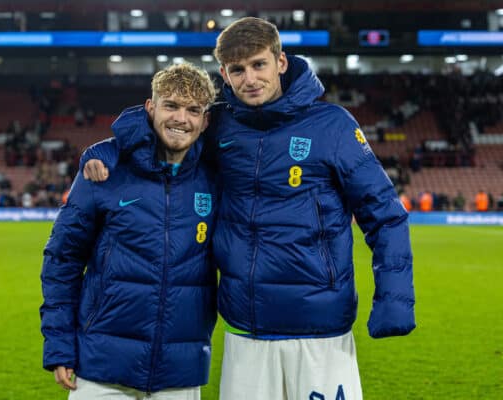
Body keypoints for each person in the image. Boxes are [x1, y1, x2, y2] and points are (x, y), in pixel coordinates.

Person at [81, 17, 415, 400]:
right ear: (224, 73)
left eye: (259, 65)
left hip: (321, 331)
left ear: (281, 63)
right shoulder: (219, 125)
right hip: (246, 331)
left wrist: (394, 298)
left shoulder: (333, 126)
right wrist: (108, 148)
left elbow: (385, 215)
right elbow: (157, 128)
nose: (250, 79)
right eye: (237, 70)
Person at [40, 63, 218, 400]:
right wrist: (60, 343)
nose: (181, 118)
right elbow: (62, 261)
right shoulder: (103, 173)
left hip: (179, 374)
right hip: (102, 371)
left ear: (206, 120)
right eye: (171, 106)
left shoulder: (216, 178)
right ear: (150, 108)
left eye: (193, 110)